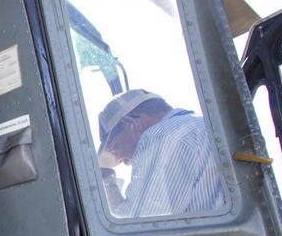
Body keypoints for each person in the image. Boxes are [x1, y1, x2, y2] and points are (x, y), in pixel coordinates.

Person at [97, 89, 226, 218]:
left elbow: (138, 224)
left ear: (130, 123)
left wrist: (106, 179)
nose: (124, 161)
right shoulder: (200, 125)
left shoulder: (159, 136)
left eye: (114, 149)